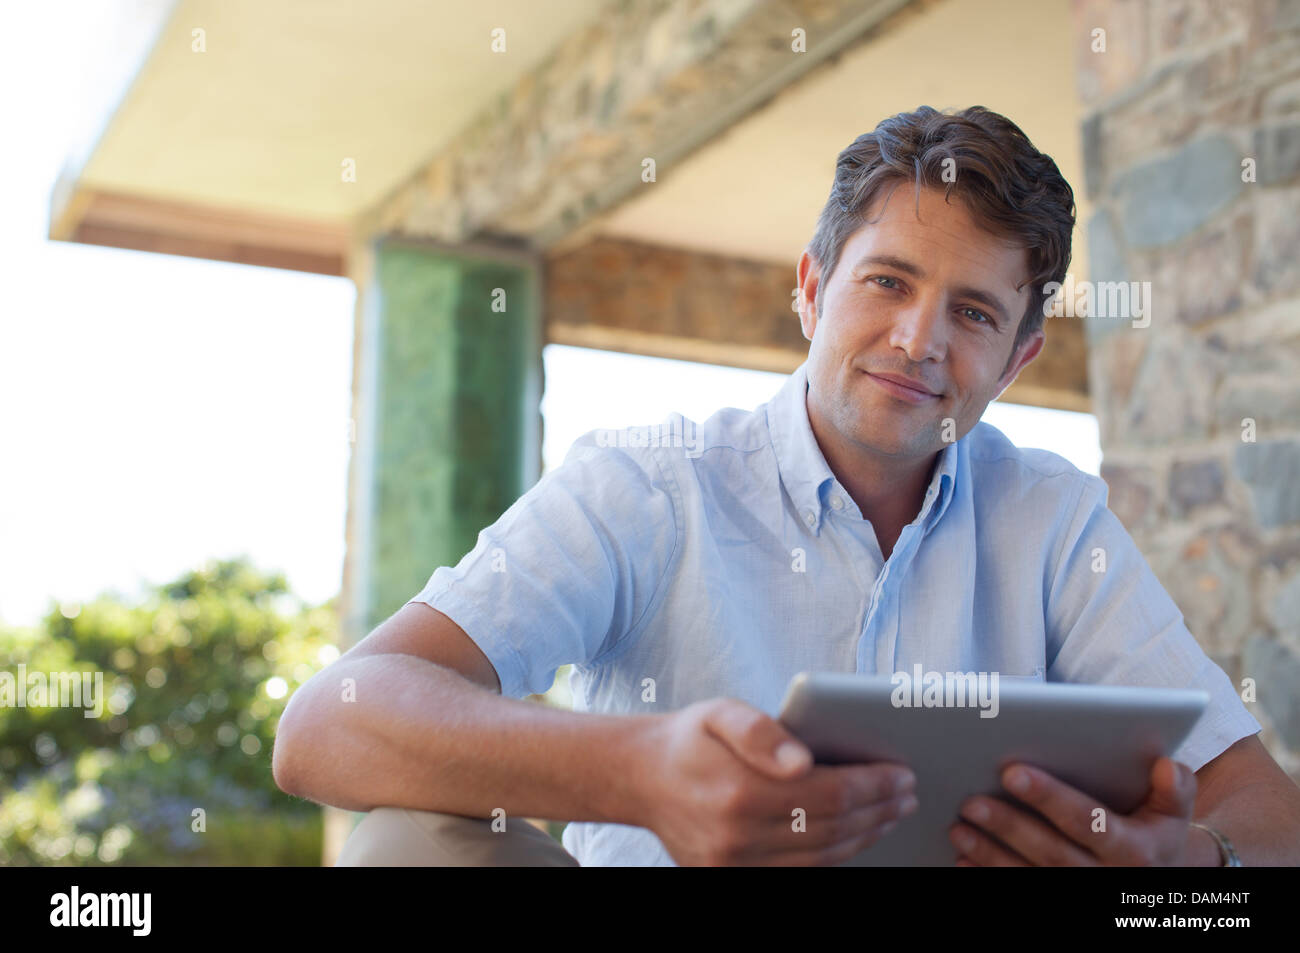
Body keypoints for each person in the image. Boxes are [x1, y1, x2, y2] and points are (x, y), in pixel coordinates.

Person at [273, 105, 1300, 866]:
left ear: (1019, 358)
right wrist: (638, 771)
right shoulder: (647, 481)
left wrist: (1190, 868)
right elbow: (329, 723)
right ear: (811, 291)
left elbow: (1264, 813)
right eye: (886, 280)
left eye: (974, 313)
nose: (918, 340)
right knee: (405, 843)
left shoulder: (1052, 515)